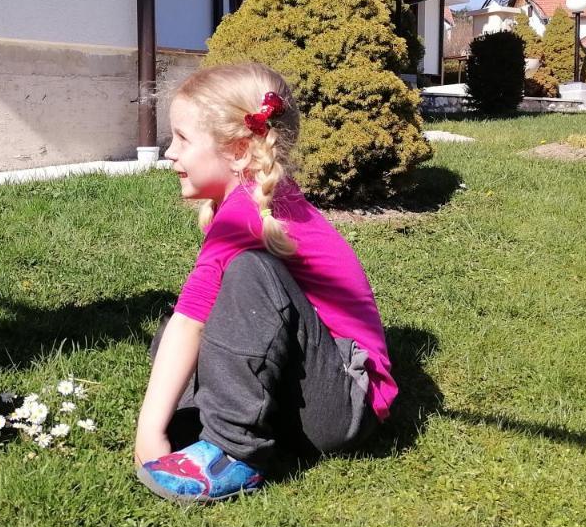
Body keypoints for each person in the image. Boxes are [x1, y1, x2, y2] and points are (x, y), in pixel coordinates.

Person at [134, 63, 396, 503]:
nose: (170, 153)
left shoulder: (247, 213)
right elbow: (190, 321)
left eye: (182, 138)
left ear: (238, 151)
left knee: (248, 276)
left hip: (346, 407)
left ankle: (232, 451)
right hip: (309, 399)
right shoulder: (253, 199)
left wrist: (147, 436)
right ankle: (200, 424)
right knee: (186, 315)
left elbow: (191, 326)